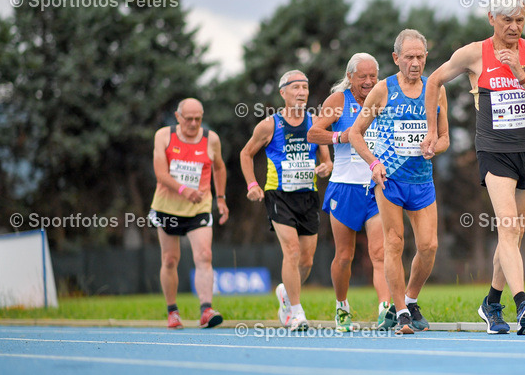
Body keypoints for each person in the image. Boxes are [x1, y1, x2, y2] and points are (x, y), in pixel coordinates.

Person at [420, 0, 525, 335]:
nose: (514, 27)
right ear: (491, 19)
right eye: (508, 20)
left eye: (520, 20)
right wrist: (432, 130)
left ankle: (491, 303)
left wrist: (522, 76)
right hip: (494, 151)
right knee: (508, 227)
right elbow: (434, 80)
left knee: (515, 232)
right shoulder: (474, 54)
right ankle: (523, 302)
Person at [348, 29, 450, 335]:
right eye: (409, 57)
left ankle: (410, 298)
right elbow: (355, 133)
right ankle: (402, 312)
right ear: (396, 58)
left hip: (422, 181)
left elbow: (445, 138)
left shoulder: (436, 89)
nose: (416, 63)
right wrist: (374, 163)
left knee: (429, 246)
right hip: (390, 180)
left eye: (420, 56)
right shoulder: (383, 90)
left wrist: (434, 147)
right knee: (394, 243)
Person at [306, 53, 394, 332]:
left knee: (380, 252)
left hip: (375, 187)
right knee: (344, 256)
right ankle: (342, 307)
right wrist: (339, 136)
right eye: (363, 77)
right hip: (344, 187)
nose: (369, 82)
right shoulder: (338, 101)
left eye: (373, 76)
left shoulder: (383, 97)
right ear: (350, 77)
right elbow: (313, 133)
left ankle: (385, 310)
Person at [240, 70, 328, 331]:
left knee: (307, 260)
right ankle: (296, 312)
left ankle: (286, 297)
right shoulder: (270, 125)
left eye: (305, 87)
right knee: (291, 251)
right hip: (279, 195)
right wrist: (252, 184)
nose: (301, 92)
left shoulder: (315, 123)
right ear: (283, 93)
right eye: (295, 87)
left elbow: (326, 158)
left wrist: (326, 166)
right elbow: (246, 154)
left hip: (308, 196)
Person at [149, 98, 228, 329]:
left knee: (204, 256)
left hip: (199, 207)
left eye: (198, 119)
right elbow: (160, 173)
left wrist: (221, 198)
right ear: (178, 117)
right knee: (170, 259)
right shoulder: (163, 136)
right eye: (188, 119)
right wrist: (184, 190)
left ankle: (206, 310)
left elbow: (220, 167)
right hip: (167, 208)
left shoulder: (211, 139)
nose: (193, 124)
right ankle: (172, 311)